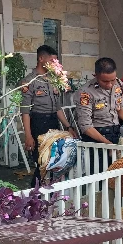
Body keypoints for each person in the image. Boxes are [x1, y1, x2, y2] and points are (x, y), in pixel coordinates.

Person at [20, 45, 77, 185]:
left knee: (54, 161)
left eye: (56, 61)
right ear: (41, 59)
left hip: (53, 123)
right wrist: (28, 135)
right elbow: (25, 111)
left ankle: (49, 197)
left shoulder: (53, 80)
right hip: (38, 124)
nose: (54, 64)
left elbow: (58, 108)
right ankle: (35, 196)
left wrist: (68, 126)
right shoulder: (29, 81)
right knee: (42, 162)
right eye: (52, 60)